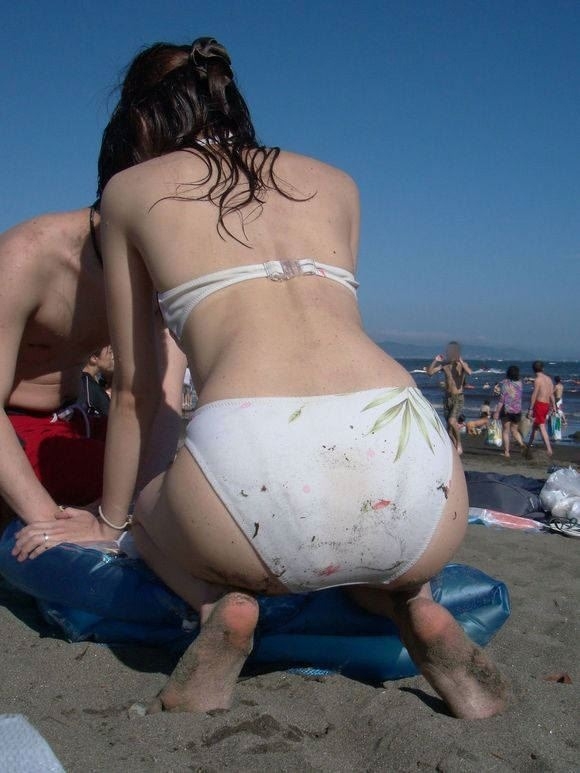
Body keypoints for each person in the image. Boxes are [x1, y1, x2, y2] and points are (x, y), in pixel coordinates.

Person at [85, 38, 506, 719]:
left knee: (146, 513)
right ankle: (412, 603)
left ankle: (216, 608)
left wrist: (109, 523)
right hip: (416, 459)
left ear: (141, 117)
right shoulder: (337, 182)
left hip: (252, 444)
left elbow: (137, 389)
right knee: (369, 560)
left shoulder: (129, 191)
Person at [1, 206, 186, 550]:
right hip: (17, 422)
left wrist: (131, 513)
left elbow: (166, 400)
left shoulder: (164, 266)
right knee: (96, 470)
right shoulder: (28, 256)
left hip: (80, 417)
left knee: (185, 488)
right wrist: (50, 525)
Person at [426, 342, 472, 455]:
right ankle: (454, 446)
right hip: (447, 398)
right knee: (449, 430)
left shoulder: (462, 365)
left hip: (458, 398)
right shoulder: (444, 365)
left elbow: (470, 372)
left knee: (452, 421)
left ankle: (459, 444)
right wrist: (435, 360)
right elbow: (430, 373)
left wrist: (461, 362)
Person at [526, 361, 556, 457]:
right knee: (535, 427)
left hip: (539, 404)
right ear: (543, 369)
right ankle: (528, 446)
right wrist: (554, 406)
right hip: (547, 404)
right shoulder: (549, 379)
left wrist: (530, 408)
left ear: (533, 370)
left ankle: (549, 449)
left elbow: (534, 395)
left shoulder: (537, 380)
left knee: (541, 426)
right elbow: (551, 394)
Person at [493, 366, 525, 458]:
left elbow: (501, 400)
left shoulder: (504, 384)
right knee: (515, 431)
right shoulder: (520, 383)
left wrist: (496, 412)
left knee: (506, 431)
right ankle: (522, 445)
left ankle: (507, 452)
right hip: (517, 410)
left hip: (506, 411)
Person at [80, 345, 115, 417]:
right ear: (94, 358)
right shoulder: (88, 386)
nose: (112, 357)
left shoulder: (81, 381)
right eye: (109, 352)